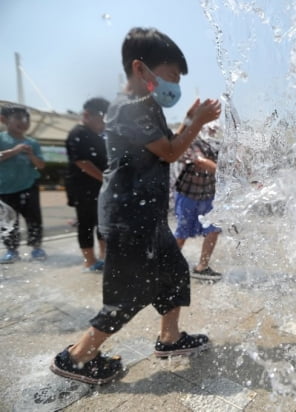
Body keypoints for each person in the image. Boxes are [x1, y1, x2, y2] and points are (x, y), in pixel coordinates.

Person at [49, 27, 222, 385]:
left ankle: (170, 339)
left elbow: (167, 143)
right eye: (172, 76)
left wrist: (188, 122)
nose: (175, 85)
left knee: (174, 272)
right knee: (129, 291)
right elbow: (173, 152)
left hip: (147, 215)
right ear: (142, 70)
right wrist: (197, 123)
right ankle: (78, 357)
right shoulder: (128, 108)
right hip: (130, 217)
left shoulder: (147, 107)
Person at [65, 98, 109, 272]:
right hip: (82, 187)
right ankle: (89, 261)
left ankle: (104, 256)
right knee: (86, 223)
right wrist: (105, 179)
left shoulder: (98, 135)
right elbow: (82, 162)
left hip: (99, 187)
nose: (104, 124)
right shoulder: (78, 133)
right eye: (102, 119)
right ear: (87, 115)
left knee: (102, 223)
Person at [174, 124, 222, 282]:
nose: (213, 132)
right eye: (210, 129)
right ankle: (167, 264)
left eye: (215, 129)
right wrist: (224, 170)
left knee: (213, 230)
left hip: (208, 195)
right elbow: (200, 161)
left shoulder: (216, 145)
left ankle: (202, 266)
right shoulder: (193, 142)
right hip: (187, 196)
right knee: (182, 233)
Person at [0, 105, 47, 263]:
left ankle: (36, 248)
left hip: (29, 186)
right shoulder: (1, 139)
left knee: (34, 218)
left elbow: (41, 165)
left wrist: (32, 155)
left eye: (26, 119)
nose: (24, 122)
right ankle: (11, 250)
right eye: (18, 118)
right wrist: (14, 151)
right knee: (8, 221)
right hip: (4, 188)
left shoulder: (32, 143)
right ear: (3, 120)